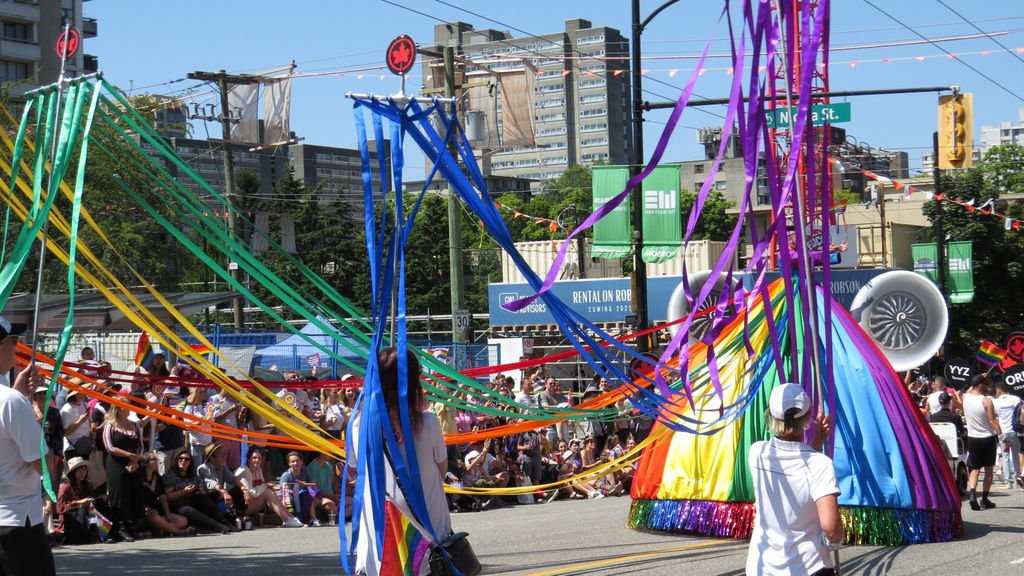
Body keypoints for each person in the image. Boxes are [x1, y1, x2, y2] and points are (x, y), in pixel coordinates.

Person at [353, 348, 452, 576]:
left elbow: (354, 472)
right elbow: (443, 468)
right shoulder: (429, 423)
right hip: (428, 532)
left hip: (380, 538)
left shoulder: (359, 427)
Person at [746, 383, 843, 576]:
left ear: (772, 416)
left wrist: (814, 446)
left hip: (762, 567)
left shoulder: (757, 452)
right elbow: (831, 528)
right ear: (808, 418)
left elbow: (792, 469)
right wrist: (836, 541)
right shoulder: (820, 464)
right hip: (808, 567)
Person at [0, 315, 56, 575]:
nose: (17, 345)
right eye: (14, 339)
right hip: (16, 520)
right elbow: (43, 465)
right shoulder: (10, 401)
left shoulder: (11, 399)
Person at [102, 402, 146, 542]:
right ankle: (120, 526)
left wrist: (134, 460)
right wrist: (128, 455)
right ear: (118, 410)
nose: (128, 408)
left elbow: (140, 445)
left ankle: (131, 524)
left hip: (133, 463)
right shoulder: (110, 425)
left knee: (133, 491)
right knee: (119, 493)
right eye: (125, 407)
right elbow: (109, 447)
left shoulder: (134, 425)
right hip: (116, 463)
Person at [162, 448, 234, 534]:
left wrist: (201, 491)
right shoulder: (170, 476)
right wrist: (183, 492)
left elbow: (202, 487)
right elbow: (168, 496)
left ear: (190, 462)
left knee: (207, 497)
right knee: (188, 510)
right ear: (176, 460)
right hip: (177, 505)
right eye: (180, 458)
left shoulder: (192, 476)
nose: (183, 461)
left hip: (191, 501)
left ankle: (225, 521)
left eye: (186, 459)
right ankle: (218, 526)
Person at [234, 447, 303, 527]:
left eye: (259, 458)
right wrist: (266, 485)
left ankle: (291, 518)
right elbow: (251, 493)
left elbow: (262, 486)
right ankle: (287, 519)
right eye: (254, 458)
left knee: (270, 492)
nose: (257, 460)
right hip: (243, 506)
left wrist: (271, 486)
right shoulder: (245, 470)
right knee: (267, 492)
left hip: (253, 503)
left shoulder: (258, 470)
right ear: (249, 459)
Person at [963, 375, 1002, 510]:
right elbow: (993, 421)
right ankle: (984, 499)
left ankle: (973, 495)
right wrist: (1002, 436)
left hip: (972, 438)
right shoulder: (986, 401)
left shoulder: (966, 398)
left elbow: (968, 390)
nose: (987, 387)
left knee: (974, 469)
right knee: (989, 470)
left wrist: (978, 378)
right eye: (985, 384)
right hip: (987, 438)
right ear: (980, 386)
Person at [138, 451, 192, 536]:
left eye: (156, 459)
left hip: (157, 512)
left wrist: (168, 515)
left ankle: (157, 531)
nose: (157, 461)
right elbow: (135, 497)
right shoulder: (139, 478)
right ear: (145, 463)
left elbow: (163, 498)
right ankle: (179, 532)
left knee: (183, 520)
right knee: (152, 514)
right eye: (153, 459)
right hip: (142, 513)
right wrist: (145, 507)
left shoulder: (157, 477)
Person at [55, 457, 104, 545]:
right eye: (79, 470)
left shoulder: (88, 484)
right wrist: (78, 502)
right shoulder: (66, 487)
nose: (82, 473)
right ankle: (95, 533)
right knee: (88, 506)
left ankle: (103, 532)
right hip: (72, 519)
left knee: (98, 503)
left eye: (84, 470)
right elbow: (60, 508)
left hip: (86, 516)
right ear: (73, 472)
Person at [280, 451, 334, 526]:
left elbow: (314, 485)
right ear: (289, 464)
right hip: (291, 499)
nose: (296, 463)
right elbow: (284, 493)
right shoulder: (286, 475)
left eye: (297, 461)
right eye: (293, 462)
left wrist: (305, 484)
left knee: (312, 491)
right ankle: (291, 518)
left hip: (302, 497)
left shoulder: (305, 470)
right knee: (288, 498)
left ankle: (313, 518)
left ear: (301, 461)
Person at [992, 382, 1022, 490]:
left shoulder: (995, 402)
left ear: (998, 390)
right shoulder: (1015, 399)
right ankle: (1017, 479)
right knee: (1016, 455)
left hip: (1002, 432)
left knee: (1005, 456)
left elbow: (994, 416)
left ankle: (1008, 481)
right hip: (1014, 431)